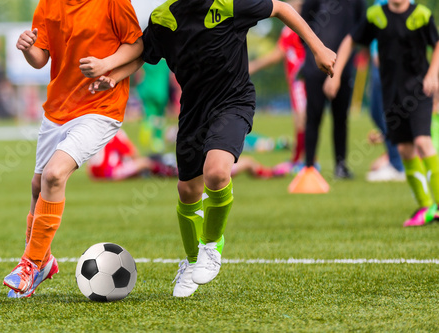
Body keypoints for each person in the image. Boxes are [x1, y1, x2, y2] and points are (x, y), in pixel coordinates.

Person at [88, 0, 336, 297]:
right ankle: (192, 261)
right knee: (186, 191)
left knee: (217, 173)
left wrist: (319, 48)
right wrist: (112, 77)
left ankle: (212, 246)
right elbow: (143, 51)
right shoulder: (165, 17)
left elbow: (282, 8)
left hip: (233, 102)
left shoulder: (230, 4)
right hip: (192, 111)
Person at [2, 0, 143, 298]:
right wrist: (28, 46)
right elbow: (40, 59)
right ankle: (44, 260)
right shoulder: (48, 3)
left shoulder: (114, 2)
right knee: (38, 186)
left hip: (101, 106)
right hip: (57, 109)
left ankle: (30, 263)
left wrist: (106, 66)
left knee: (54, 175)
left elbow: (138, 46)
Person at [323, 0, 439, 227]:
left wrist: (433, 74)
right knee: (405, 149)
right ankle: (426, 207)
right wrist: (335, 74)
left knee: (423, 142)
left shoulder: (422, 15)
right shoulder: (376, 15)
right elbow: (350, 41)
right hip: (392, 94)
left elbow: (437, 44)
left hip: (419, 92)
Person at [300, 0, 366, 179]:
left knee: (341, 118)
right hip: (315, 69)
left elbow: (359, 31)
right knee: (313, 118)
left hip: (343, 69)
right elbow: (302, 27)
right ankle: (309, 168)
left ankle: (340, 166)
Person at [87, 129, 281, 181]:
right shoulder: (112, 131)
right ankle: (264, 171)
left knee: (210, 171)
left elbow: (138, 159)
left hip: (170, 165)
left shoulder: (103, 133)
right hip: (165, 164)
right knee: (206, 170)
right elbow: (136, 156)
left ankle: (264, 171)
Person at [249, 0, 306, 172]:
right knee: (301, 118)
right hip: (296, 80)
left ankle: (301, 161)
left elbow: (276, 55)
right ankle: (301, 159)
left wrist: (254, 65)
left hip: (300, 80)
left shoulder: (297, 27)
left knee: (302, 118)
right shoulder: (289, 29)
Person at [364, 0, 407, 183]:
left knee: (389, 113)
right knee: (375, 112)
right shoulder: (378, 5)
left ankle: (397, 166)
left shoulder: (403, 4)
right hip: (376, 64)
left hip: (390, 64)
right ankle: (394, 156)